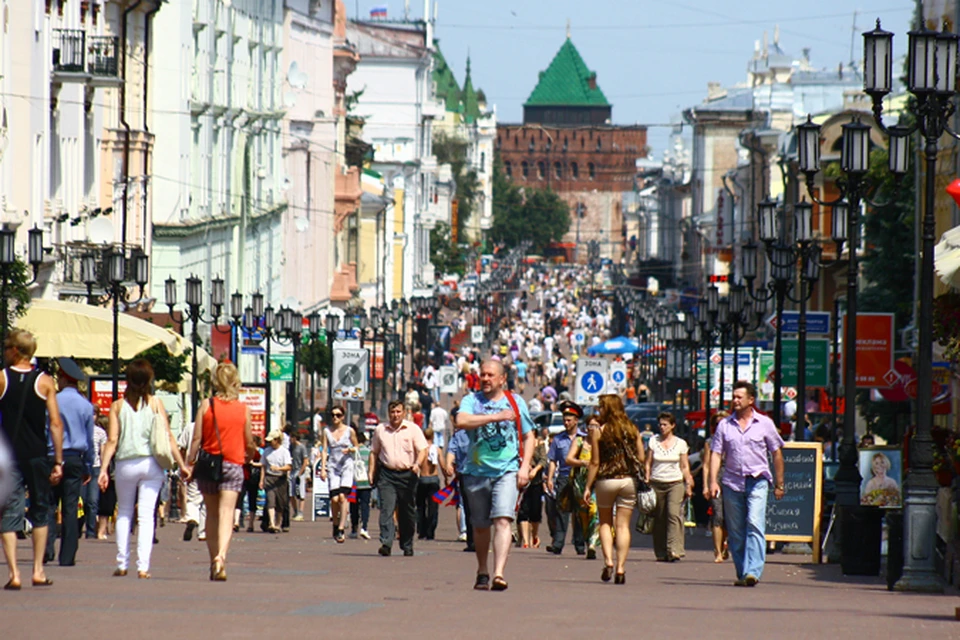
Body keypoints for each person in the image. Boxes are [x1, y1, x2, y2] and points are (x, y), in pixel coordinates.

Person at [98, 359, 187, 579]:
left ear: (127, 380)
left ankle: (122, 563)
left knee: (125, 512)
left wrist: (103, 469)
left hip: (125, 464)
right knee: (147, 516)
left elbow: (111, 440)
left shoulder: (117, 406)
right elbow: (168, 437)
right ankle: (143, 566)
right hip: (151, 465)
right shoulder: (156, 404)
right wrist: (182, 465)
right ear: (149, 380)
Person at [456, 360, 535, 591]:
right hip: (476, 471)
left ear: (502, 379)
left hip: (507, 470)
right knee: (480, 526)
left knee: (503, 519)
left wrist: (525, 466)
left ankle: (499, 573)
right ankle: (482, 569)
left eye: (491, 375)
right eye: (483, 375)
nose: (486, 379)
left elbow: (530, 436)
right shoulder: (472, 401)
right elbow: (461, 421)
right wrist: (495, 417)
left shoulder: (515, 401)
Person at [0, 329, 64, 590]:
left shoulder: (2, 378)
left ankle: (14, 573)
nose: (4, 352)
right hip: (37, 454)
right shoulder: (45, 381)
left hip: (9, 456)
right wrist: (58, 460)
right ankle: (37, 570)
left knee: (7, 513)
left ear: (15, 351)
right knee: (40, 509)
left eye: (6, 347)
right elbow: (56, 423)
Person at [708, 381, 785, 587]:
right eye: (733, 397)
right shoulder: (725, 425)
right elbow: (716, 454)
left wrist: (779, 483)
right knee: (736, 530)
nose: (735, 400)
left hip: (757, 480)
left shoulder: (765, 423)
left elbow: (776, 452)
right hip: (732, 482)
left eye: (739, 397)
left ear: (751, 400)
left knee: (754, 523)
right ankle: (743, 571)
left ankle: (753, 571)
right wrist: (712, 482)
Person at [184, 361, 256, 581]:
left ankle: (212, 558)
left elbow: (196, 439)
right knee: (227, 514)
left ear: (215, 382)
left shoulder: (207, 405)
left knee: (212, 515)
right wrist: (250, 455)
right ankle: (221, 558)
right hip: (234, 465)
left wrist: (189, 463)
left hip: (208, 466)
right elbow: (249, 442)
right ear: (235, 381)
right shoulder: (243, 409)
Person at [583, 394, 645, 584]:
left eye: (601, 407)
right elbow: (641, 457)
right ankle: (621, 568)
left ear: (607, 409)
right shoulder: (632, 429)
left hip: (606, 480)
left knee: (605, 522)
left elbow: (594, 462)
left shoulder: (599, 431)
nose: (599, 410)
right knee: (623, 526)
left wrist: (587, 487)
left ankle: (609, 561)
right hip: (627, 481)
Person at [45, 357, 95, 567]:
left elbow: (45, 429)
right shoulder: (86, 405)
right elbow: (90, 439)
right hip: (75, 457)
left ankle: (45, 550)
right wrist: (89, 465)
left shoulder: (52, 401)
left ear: (64, 379)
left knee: (48, 505)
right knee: (70, 507)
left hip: (51, 456)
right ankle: (67, 556)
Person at [369, 400, 427, 557]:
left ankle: (407, 544)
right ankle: (386, 543)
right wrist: (371, 472)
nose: (395, 415)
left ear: (404, 413)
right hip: (387, 474)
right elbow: (374, 452)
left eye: (398, 412)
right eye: (392, 412)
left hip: (407, 475)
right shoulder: (380, 430)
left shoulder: (413, 429)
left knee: (407, 512)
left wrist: (417, 464)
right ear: (388, 413)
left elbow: (423, 449)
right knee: (387, 508)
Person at [645, 412, 694, 562]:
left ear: (672, 426)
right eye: (660, 424)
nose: (662, 427)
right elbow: (648, 463)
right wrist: (647, 477)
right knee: (659, 517)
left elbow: (685, 466)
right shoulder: (653, 441)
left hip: (675, 483)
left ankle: (674, 550)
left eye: (665, 424)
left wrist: (688, 482)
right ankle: (661, 551)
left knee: (673, 514)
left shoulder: (680, 444)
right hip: (657, 483)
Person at [545, 402, 584, 555]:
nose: (566, 423)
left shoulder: (584, 438)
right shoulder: (558, 439)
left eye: (569, 420)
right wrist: (549, 478)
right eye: (564, 420)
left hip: (579, 478)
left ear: (576, 420)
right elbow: (553, 460)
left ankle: (580, 545)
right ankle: (558, 543)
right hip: (563, 477)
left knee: (579, 513)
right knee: (561, 511)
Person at [320, 407, 358, 543]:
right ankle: (335, 524)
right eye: (333, 415)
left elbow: (357, 446)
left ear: (343, 417)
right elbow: (324, 450)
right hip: (333, 466)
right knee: (334, 499)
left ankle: (341, 527)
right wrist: (323, 468)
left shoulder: (349, 431)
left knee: (343, 497)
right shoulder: (326, 431)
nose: (335, 417)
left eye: (338, 415)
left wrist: (351, 449)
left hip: (347, 465)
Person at [566, 413, 600, 560]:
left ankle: (593, 543)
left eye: (596, 426)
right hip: (580, 483)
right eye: (590, 425)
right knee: (583, 515)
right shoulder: (580, 441)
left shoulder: (603, 442)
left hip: (598, 483)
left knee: (595, 511)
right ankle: (588, 543)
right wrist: (582, 463)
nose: (592, 429)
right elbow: (569, 459)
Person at [701, 411, 730, 563]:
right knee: (717, 515)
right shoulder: (710, 442)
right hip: (716, 478)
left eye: (723, 422)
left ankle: (724, 544)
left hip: (732, 479)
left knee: (729, 517)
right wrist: (706, 485)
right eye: (717, 423)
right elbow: (706, 465)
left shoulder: (733, 439)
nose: (720, 426)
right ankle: (717, 551)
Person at [517, 424, 547, 548]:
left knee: (535, 512)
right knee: (523, 510)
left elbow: (543, 460)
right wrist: (524, 464)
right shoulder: (519, 444)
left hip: (536, 481)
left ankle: (534, 536)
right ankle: (525, 540)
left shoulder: (539, 444)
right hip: (522, 482)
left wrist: (535, 470)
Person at [259, 430, 291, 533]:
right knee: (270, 501)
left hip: (280, 479)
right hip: (269, 478)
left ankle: (278, 523)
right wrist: (261, 480)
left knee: (280, 503)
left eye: (272, 440)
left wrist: (279, 469)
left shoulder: (284, 451)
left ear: (277, 440)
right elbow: (263, 466)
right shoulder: (266, 451)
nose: (270, 443)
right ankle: (272, 523)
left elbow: (288, 466)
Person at [416, 428, 441, 540]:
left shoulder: (421, 450)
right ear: (433, 437)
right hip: (434, 479)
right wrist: (446, 477)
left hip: (422, 479)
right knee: (433, 507)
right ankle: (430, 531)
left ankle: (422, 531)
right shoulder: (437, 450)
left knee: (420, 507)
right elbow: (444, 466)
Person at [86, 412, 107, 539]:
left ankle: (90, 530)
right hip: (82, 466)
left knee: (92, 501)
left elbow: (102, 451)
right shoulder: (81, 429)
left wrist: (104, 469)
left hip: (95, 467)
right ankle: (76, 528)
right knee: (80, 499)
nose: (92, 416)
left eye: (94, 414)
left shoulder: (100, 432)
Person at [349, 429, 372, 540]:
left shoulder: (352, 452)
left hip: (354, 483)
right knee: (365, 506)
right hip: (366, 483)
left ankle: (354, 529)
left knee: (354, 506)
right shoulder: (368, 452)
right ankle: (364, 527)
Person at [288, 431, 309, 521]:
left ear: (294, 438)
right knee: (291, 493)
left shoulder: (302, 447)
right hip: (292, 471)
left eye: (291, 438)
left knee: (301, 493)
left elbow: (305, 461)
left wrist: (300, 473)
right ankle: (295, 511)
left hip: (300, 471)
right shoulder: (291, 447)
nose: (289, 440)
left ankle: (300, 513)